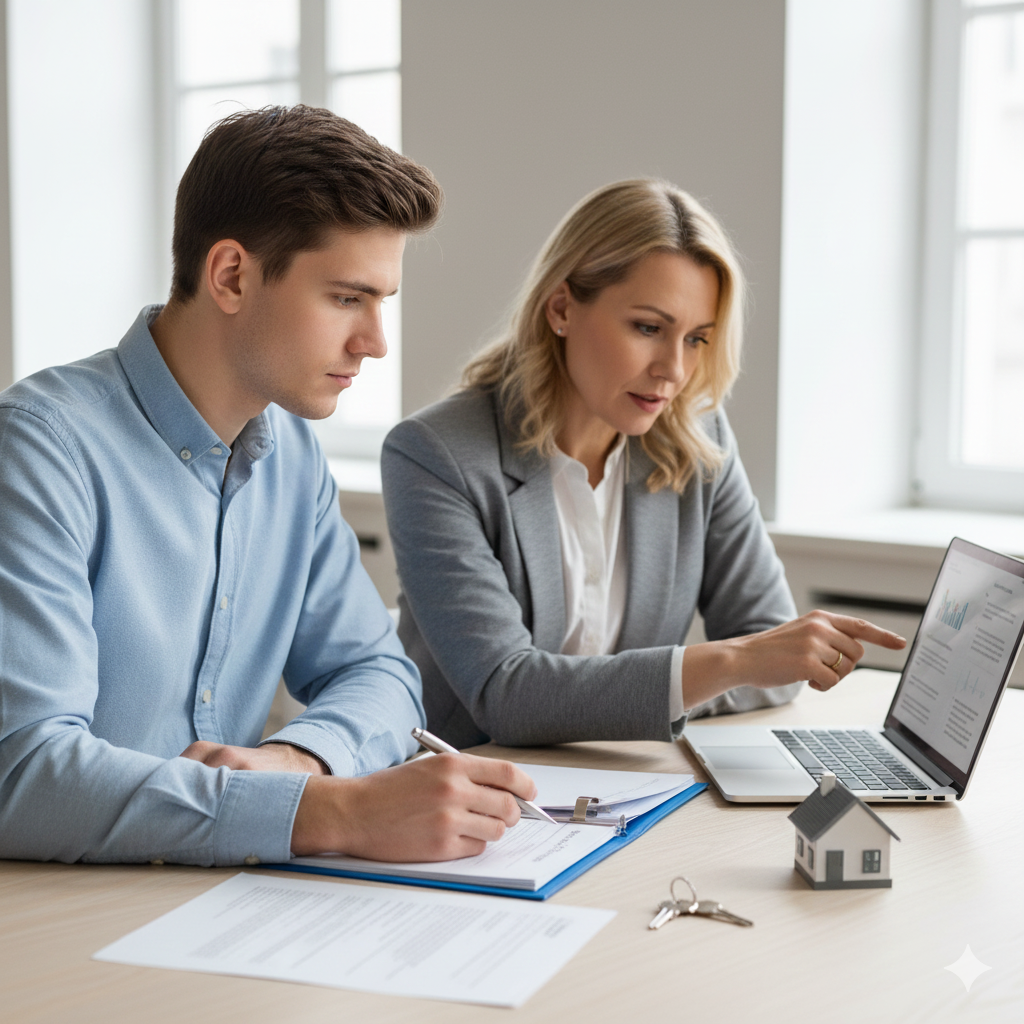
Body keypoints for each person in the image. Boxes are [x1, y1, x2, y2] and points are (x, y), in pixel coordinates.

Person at [0, 105, 536, 867]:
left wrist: (302, 762)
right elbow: (22, 771)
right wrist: (329, 812)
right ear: (231, 276)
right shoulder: (40, 447)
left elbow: (378, 673)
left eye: (383, 303)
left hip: (218, 903)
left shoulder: (294, 456)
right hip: (54, 919)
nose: (375, 343)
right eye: (348, 298)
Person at [381, 179, 906, 749]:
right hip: (471, 797)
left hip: (628, 788)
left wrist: (726, 670)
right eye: (649, 328)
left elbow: (772, 657)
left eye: (697, 339)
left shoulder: (699, 442)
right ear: (560, 308)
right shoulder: (435, 454)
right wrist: (732, 663)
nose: (674, 370)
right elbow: (505, 694)